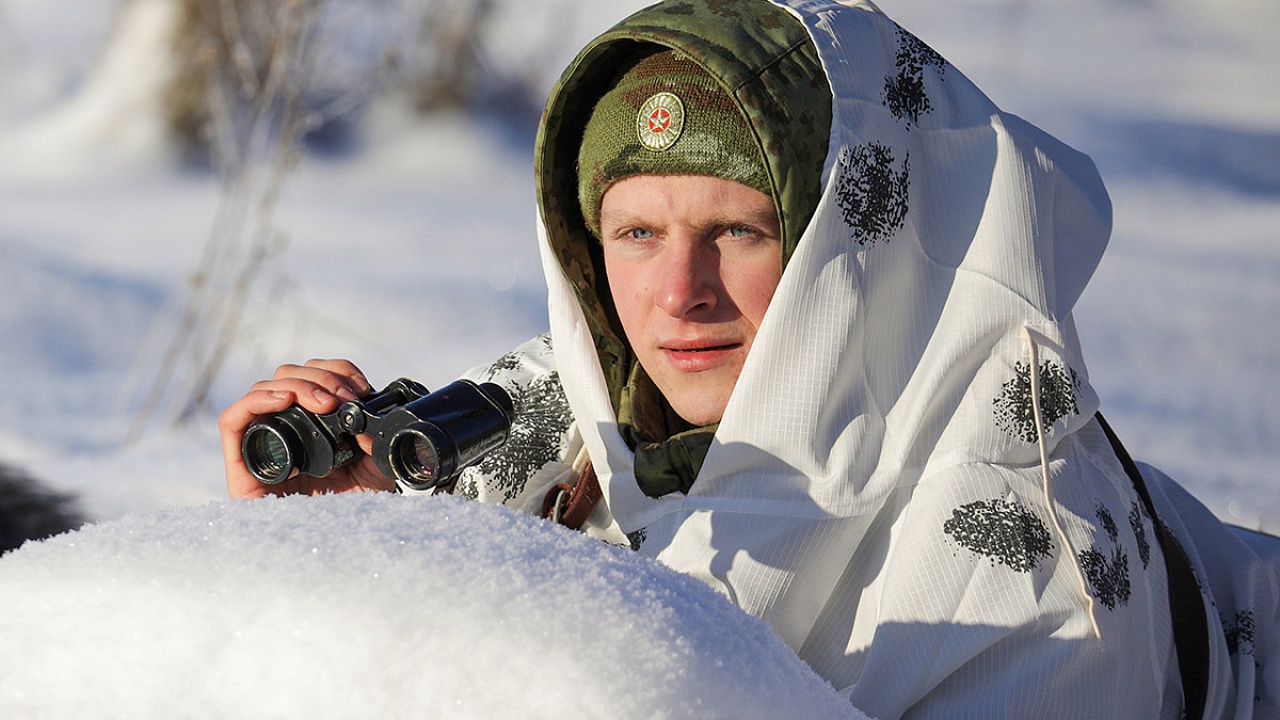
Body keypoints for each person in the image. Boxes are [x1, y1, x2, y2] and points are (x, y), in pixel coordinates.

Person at [219, 0, 1279, 717]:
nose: (678, 296)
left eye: (740, 231)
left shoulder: (1017, 563)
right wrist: (341, 541)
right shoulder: (581, 409)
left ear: (857, 254)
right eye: (634, 234)